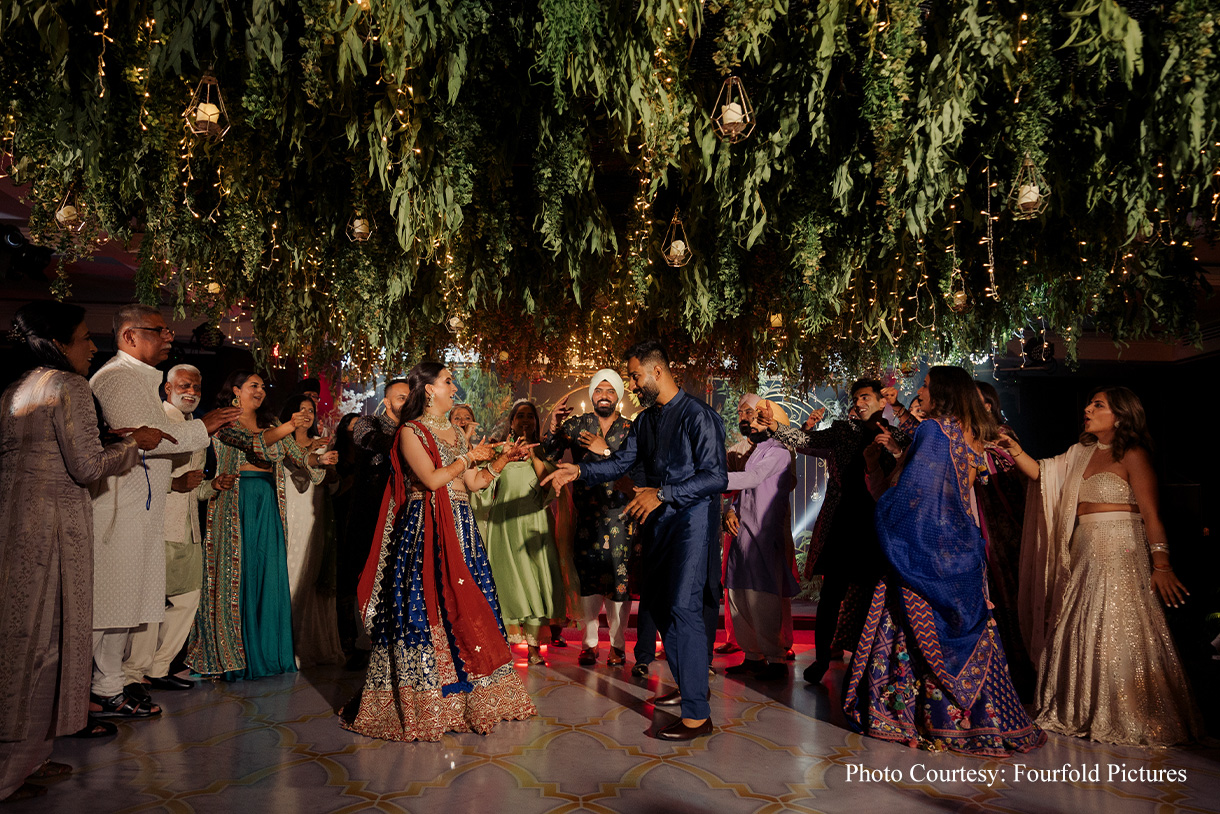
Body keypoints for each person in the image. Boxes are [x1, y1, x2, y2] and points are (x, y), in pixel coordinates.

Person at [0, 302, 165, 803]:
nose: (91, 347)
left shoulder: (18, 386)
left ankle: (26, 757)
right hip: (54, 523)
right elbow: (88, 466)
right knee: (47, 636)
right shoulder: (66, 385)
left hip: (15, 517)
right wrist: (137, 443)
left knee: (19, 635)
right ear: (57, 341)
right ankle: (13, 768)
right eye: (82, 337)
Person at [842, 366, 1045, 756]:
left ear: (945, 392)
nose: (920, 391)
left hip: (925, 550)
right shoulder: (973, 436)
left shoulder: (935, 431)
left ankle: (915, 716)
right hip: (963, 551)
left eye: (928, 386)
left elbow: (916, 498)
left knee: (911, 630)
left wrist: (889, 516)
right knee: (972, 628)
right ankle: (987, 719)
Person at [341, 363, 535, 741]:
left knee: (469, 606)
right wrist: (467, 458)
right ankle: (429, 702)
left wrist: (500, 462)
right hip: (425, 530)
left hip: (461, 528)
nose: (454, 386)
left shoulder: (456, 433)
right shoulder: (410, 432)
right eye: (447, 381)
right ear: (428, 390)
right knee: (423, 606)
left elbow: (473, 483)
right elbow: (431, 479)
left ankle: (470, 699)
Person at [543, 341, 727, 741]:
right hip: (658, 521)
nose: (631, 382)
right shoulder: (646, 421)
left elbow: (716, 478)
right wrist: (577, 473)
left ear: (656, 372)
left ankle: (698, 715)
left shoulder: (699, 416)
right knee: (660, 606)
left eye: (634, 375)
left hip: (691, 521)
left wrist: (662, 494)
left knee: (682, 607)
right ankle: (688, 685)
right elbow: (620, 463)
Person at [1008, 386, 1202, 745]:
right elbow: (1042, 475)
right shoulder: (1079, 454)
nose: (1087, 408)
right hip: (1084, 547)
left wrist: (1162, 563)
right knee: (1080, 619)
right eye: (1089, 403)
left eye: (1098, 405)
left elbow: (1151, 513)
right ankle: (1080, 706)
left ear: (1121, 415)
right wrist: (1013, 448)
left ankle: (1127, 712)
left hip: (1121, 547)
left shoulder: (1132, 453)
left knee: (1117, 621)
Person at [89, 305, 239, 717]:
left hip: (144, 505)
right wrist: (203, 428)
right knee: (111, 603)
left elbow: (158, 437)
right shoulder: (116, 379)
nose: (170, 337)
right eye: (159, 331)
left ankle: (113, 682)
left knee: (129, 603)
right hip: (120, 503)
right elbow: (153, 440)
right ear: (129, 337)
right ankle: (102, 686)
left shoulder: (140, 380)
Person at [758, 378, 907, 685]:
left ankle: (870, 662)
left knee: (874, 597)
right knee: (831, 595)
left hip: (882, 524)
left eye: (866, 397)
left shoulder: (898, 436)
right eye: (856, 398)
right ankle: (823, 659)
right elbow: (805, 440)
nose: (859, 402)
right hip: (844, 520)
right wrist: (774, 428)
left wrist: (897, 444)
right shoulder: (844, 432)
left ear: (883, 401)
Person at [188, 371, 331, 680]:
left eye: (264, 386)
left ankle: (266, 652)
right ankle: (233, 656)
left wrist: (321, 459)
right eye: (254, 385)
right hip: (236, 501)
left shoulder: (270, 426)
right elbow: (252, 443)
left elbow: (299, 457)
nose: (261, 391)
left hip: (267, 502)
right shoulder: (224, 423)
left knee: (267, 572)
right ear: (236, 390)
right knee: (235, 575)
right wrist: (290, 426)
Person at [121, 364, 210, 695]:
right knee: (152, 603)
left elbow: (194, 486)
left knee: (188, 598)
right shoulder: (158, 419)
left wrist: (212, 486)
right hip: (159, 523)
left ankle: (158, 667)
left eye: (197, 387)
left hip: (188, 527)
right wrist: (174, 482)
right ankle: (133, 674)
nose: (192, 392)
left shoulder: (193, 425)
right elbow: (137, 469)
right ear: (167, 389)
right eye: (185, 385)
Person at [542, 370, 638, 668]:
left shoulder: (632, 429)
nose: (604, 395)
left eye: (610, 391)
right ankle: (589, 644)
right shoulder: (577, 425)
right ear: (593, 395)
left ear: (618, 396)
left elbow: (637, 468)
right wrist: (555, 426)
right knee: (589, 582)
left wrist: (604, 450)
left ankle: (619, 646)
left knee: (619, 583)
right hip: (587, 517)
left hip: (622, 515)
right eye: (599, 391)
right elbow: (549, 452)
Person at [474, 400, 565, 664]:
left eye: (530, 416)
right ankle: (502, 645)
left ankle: (535, 648)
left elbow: (549, 486)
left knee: (535, 580)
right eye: (520, 416)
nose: (525, 420)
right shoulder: (498, 451)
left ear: (536, 423)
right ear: (511, 422)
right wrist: (506, 456)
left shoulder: (545, 451)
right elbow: (482, 482)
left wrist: (534, 456)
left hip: (535, 522)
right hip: (503, 523)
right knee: (505, 582)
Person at [722, 395, 797, 681]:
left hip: (765, 536)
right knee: (738, 595)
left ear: (768, 417)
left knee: (763, 598)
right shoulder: (756, 450)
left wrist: (713, 478)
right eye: (742, 413)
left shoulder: (778, 451)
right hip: (742, 534)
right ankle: (752, 655)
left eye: (752, 413)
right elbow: (744, 492)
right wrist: (731, 509)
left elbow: (752, 480)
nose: (746, 419)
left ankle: (775, 658)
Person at [338, 378, 409, 664]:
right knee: (356, 573)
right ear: (388, 401)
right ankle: (350, 643)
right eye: (401, 397)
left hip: (401, 512)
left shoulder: (412, 429)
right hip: (368, 512)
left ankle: (388, 643)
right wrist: (411, 439)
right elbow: (369, 441)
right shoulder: (370, 423)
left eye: (410, 397)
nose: (406, 402)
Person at [280, 394, 345, 667]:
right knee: (288, 573)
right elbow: (295, 469)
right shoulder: (279, 443)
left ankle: (305, 644)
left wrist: (329, 466)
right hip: (285, 514)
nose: (307, 414)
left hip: (312, 515)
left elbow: (332, 485)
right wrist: (314, 459)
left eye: (311, 410)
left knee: (308, 575)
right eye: (301, 408)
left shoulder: (321, 445)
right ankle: (282, 645)